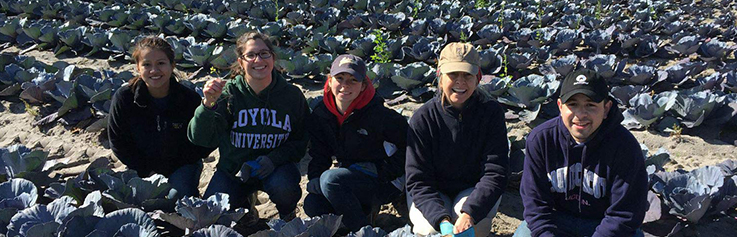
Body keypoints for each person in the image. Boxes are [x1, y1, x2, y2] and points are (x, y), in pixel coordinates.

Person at [187, 32, 308, 221]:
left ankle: (287, 213)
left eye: (264, 54)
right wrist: (208, 104)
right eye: (250, 55)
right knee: (213, 213)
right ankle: (246, 204)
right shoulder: (228, 94)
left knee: (284, 187)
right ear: (241, 61)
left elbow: (301, 140)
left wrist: (273, 159)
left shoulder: (292, 96)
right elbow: (201, 138)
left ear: (273, 58)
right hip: (234, 171)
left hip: (276, 169)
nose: (258, 60)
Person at [514, 69, 648, 237]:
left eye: (590, 105)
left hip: (604, 224)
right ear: (560, 107)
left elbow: (624, 214)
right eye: (573, 105)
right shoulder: (541, 140)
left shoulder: (624, 147)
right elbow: (536, 206)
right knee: (525, 233)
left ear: (606, 108)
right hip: (557, 220)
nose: (580, 114)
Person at [406, 42, 509, 237]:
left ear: (477, 78)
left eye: (467, 75)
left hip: (474, 189)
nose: (460, 82)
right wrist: (441, 219)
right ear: (440, 76)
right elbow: (418, 180)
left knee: (472, 230)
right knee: (430, 230)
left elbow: (495, 172)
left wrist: (469, 212)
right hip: (433, 192)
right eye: (453, 75)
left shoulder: (491, 113)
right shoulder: (423, 118)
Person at [302, 54, 408, 232]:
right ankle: (364, 213)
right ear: (329, 80)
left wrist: (382, 171)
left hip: (385, 182)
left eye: (353, 80)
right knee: (313, 204)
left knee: (330, 180)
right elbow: (320, 152)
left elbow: (409, 149)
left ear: (363, 85)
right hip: (350, 180)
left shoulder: (381, 115)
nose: (345, 85)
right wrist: (314, 176)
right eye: (340, 78)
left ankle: (363, 231)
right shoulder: (322, 114)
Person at [108, 36, 213, 198]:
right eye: (147, 65)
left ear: (172, 65)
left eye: (161, 64)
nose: (154, 71)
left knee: (175, 199)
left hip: (182, 166)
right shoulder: (124, 98)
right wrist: (146, 171)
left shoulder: (189, 99)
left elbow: (204, 140)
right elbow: (118, 141)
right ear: (137, 67)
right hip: (142, 168)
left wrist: (183, 161)